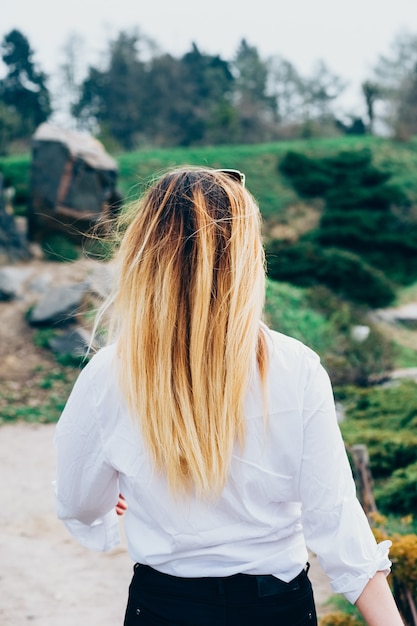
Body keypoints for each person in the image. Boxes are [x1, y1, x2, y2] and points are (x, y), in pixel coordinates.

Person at [54, 166, 404, 626]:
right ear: (244, 259)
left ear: (144, 256)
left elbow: (78, 502)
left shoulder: (108, 375)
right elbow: (337, 522)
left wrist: (108, 503)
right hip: (278, 609)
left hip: (164, 607)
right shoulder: (297, 367)